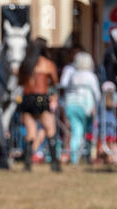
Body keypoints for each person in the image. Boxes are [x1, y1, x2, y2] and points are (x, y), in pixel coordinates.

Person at [18, 37, 61, 172]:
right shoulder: (48, 64)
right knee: (50, 130)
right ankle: (54, 163)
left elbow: (19, 82)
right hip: (42, 98)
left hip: (27, 98)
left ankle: (27, 162)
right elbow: (55, 82)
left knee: (30, 132)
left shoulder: (25, 64)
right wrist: (53, 96)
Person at [62, 52, 100, 165]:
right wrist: (95, 106)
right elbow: (96, 94)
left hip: (71, 105)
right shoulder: (91, 76)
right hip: (85, 106)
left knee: (76, 131)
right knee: (83, 132)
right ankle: (79, 157)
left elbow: (66, 89)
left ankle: (76, 156)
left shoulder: (73, 75)